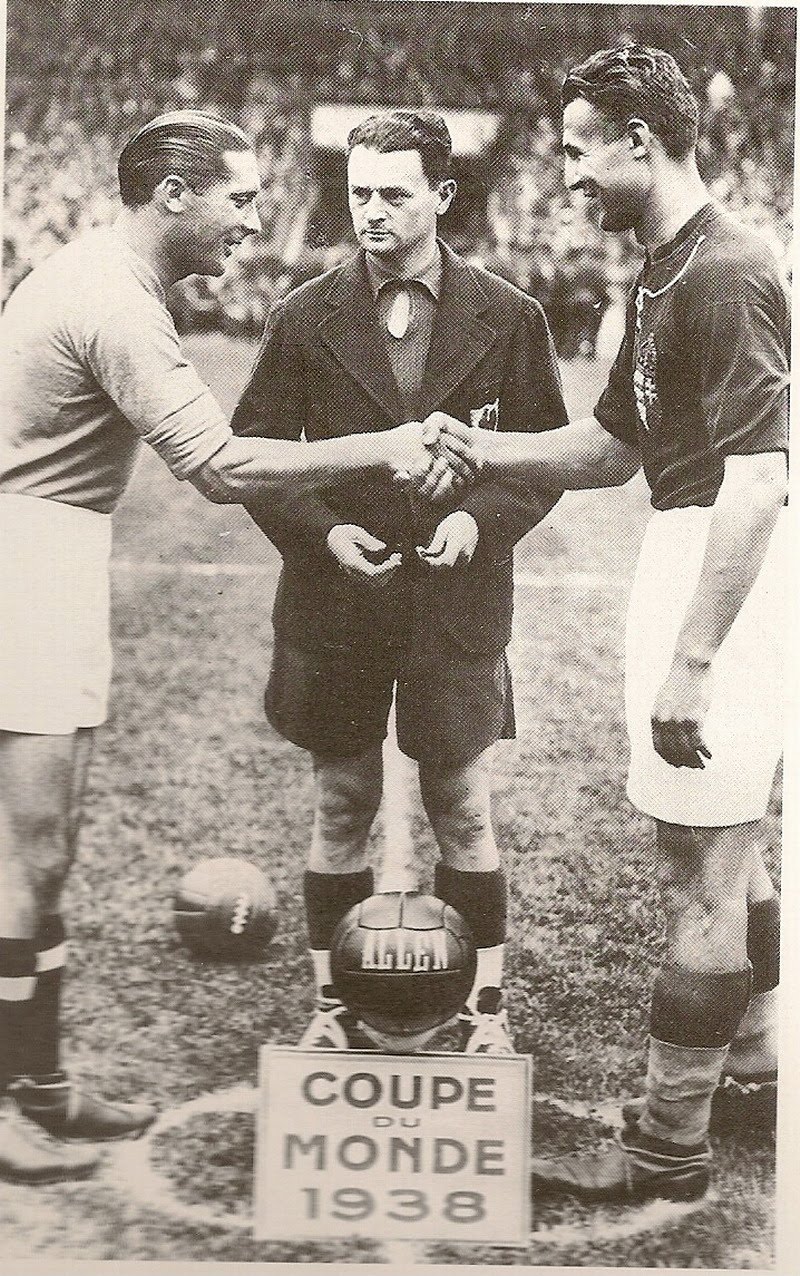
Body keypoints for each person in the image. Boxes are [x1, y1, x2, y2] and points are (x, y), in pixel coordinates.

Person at [0, 108, 466, 1186]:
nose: (254, 222)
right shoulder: (111, 296)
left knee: (50, 846)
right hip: (22, 556)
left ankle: (38, 1084)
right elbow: (215, 464)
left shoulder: (116, 282)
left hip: (51, 552)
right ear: (173, 196)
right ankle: (7, 1099)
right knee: (22, 855)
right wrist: (385, 447)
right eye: (240, 200)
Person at [432, 46, 787, 1201]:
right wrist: (478, 445)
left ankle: (665, 1145)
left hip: (725, 570)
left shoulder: (727, 267)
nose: (568, 169)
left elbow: (756, 481)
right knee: (728, 846)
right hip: (690, 547)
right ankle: (752, 1064)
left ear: (641, 138)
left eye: (582, 143)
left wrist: (693, 658)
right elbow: (611, 448)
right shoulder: (662, 267)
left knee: (698, 866)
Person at [230, 108, 568, 1055]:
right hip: (335, 605)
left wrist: (477, 518)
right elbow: (255, 458)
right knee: (342, 802)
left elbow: (540, 464)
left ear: (444, 197)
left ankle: (486, 1016)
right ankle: (333, 1010)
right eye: (359, 192)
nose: (371, 211)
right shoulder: (304, 315)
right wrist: (325, 533)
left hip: (456, 610)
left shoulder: (512, 315)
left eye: (394, 193)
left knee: (461, 805)